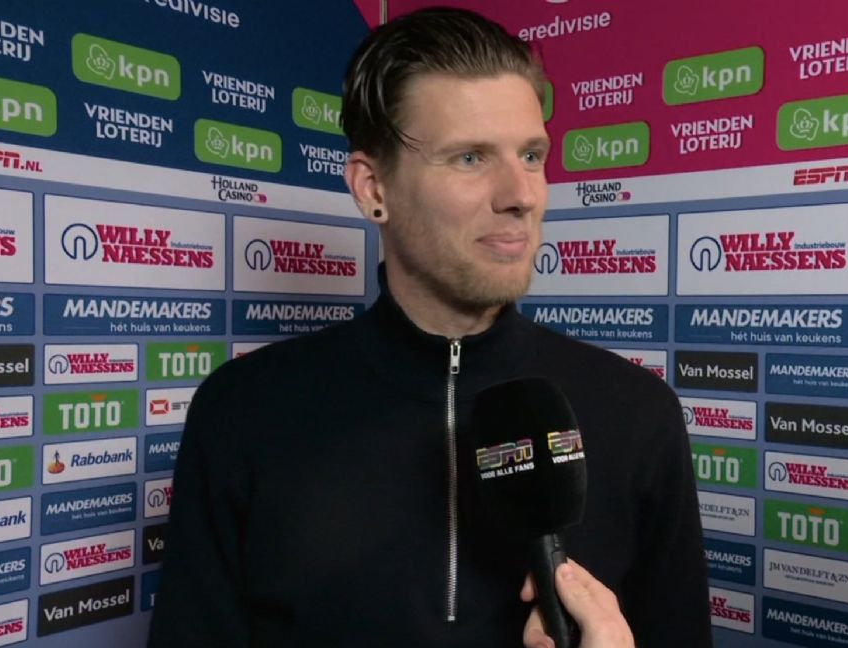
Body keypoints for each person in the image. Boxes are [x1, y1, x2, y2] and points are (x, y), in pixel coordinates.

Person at [147, 7, 712, 647]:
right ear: (372, 189)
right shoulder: (242, 412)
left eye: (531, 155)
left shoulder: (638, 413)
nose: (521, 194)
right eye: (470, 157)